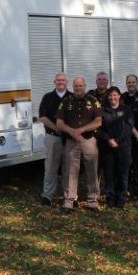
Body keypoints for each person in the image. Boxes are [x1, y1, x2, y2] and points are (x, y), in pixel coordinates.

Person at [55, 76, 103, 214]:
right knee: (70, 171)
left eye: (80, 85)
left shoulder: (93, 101)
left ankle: (93, 202)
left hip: (89, 140)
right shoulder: (66, 101)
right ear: (73, 87)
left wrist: (81, 130)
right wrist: (72, 132)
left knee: (92, 170)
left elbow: (98, 121)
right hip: (71, 141)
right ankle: (69, 201)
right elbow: (59, 123)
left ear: (85, 86)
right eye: (76, 86)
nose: (78, 88)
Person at [97, 87, 134, 209]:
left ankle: (121, 199)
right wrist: (109, 139)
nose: (112, 98)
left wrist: (117, 140)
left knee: (122, 174)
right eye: (110, 95)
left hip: (123, 147)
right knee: (109, 174)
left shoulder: (126, 110)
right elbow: (99, 129)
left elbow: (128, 127)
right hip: (107, 147)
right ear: (107, 97)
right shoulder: (103, 110)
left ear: (119, 96)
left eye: (115, 95)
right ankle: (110, 199)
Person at [38, 73, 72, 206]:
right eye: (58, 80)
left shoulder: (72, 97)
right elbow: (42, 117)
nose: (60, 82)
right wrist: (57, 128)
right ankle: (48, 195)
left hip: (69, 138)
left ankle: (70, 197)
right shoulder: (47, 97)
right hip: (52, 136)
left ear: (67, 82)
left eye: (63, 80)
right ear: (54, 82)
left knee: (68, 168)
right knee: (51, 167)